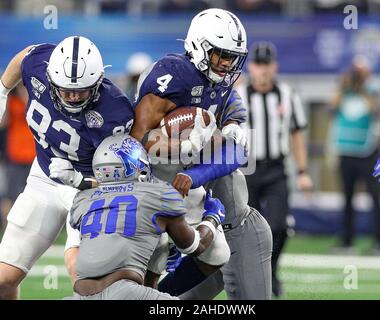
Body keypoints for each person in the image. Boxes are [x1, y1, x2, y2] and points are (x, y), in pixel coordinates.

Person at [131, 8, 273, 299]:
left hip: (215, 209)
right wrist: (180, 147)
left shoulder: (225, 91)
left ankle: (160, 298)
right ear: (199, 47)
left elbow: (238, 151)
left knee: (215, 256)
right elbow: (137, 140)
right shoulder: (173, 75)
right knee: (149, 262)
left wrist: (191, 174)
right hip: (159, 191)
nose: (226, 64)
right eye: (220, 54)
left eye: (232, 57)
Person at [0, 36, 134, 299]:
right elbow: (25, 55)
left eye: (81, 90)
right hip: (44, 178)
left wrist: (81, 181)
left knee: (83, 278)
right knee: (3, 279)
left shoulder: (115, 112)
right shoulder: (39, 64)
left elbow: (126, 177)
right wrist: (3, 89)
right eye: (65, 89)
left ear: (97, 83)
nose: (73, 96)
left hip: (90, 191)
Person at [67, 134, 226, 300]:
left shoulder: (82, 200)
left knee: (160, 240)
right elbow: (196, 246)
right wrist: (213, 217)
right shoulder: (158, 194)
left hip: (80, 295)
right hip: (127, 292)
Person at [235, 41, 312, 297]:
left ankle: (271, 268)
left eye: (267, 64)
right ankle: (257, 276)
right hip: (247, 169)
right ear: (251, 67)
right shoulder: (239, 96)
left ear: (275, 66)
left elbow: (297, 135)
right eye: (259, 65)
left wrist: (303, 172)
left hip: (277, 167)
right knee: (249, 230)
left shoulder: (287, 95)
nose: (263, 70)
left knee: (279, 226)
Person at [329, 55, 380, 254]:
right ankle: (347, 241)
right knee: (347, 198)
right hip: (346, 150)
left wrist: (361, 87)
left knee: (376, 197)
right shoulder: (344, 90)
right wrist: (344, 85)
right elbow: (332, 108)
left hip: (367, 150)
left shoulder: (374, 89)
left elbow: (376, 109)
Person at [0, 83, 35, 225]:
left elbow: (30, 109)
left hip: (33, 152)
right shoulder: (11, 99)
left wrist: (23, 87)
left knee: (33, 194)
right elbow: (3, 122)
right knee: (10, 193)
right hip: (14, 152)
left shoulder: (34, 98)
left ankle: (30, 225)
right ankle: (6, 224)